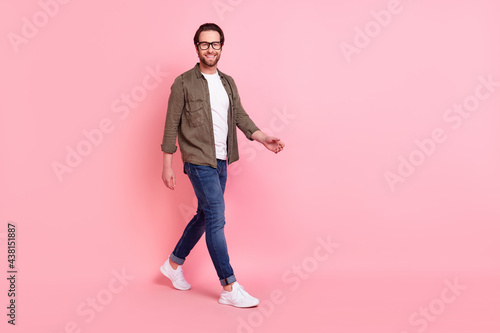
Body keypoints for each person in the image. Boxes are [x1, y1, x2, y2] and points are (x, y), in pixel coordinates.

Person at [160, 23, 285, 308]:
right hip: (197, 160)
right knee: (217, 218)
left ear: (221, 47)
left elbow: (239, 115)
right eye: (204, 44)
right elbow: (170, 126)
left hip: (221, 160)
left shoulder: (228, 82)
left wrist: (262, 137)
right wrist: (167, 165)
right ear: (196, 47)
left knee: (204, 216)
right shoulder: (183, 82)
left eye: (215, 44)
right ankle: (229, 287)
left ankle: (173, 264)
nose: (210, 49)